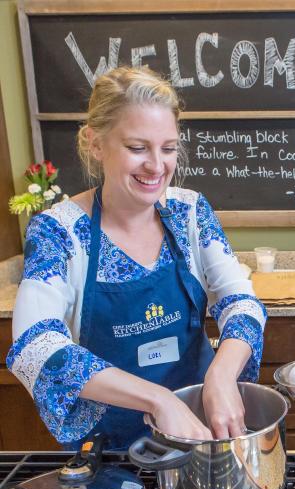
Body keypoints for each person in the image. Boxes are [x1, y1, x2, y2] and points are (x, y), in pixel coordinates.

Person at [8, 66, 266, 450]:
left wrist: (221, 378)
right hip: (111, 451)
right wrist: (158, 398)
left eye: (167, 148)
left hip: (200, 433)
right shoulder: (58, 231)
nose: (157, 166)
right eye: (137, 148)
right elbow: (36, 346)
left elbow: (242, 303)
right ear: (96, 144)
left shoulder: (189, 212)